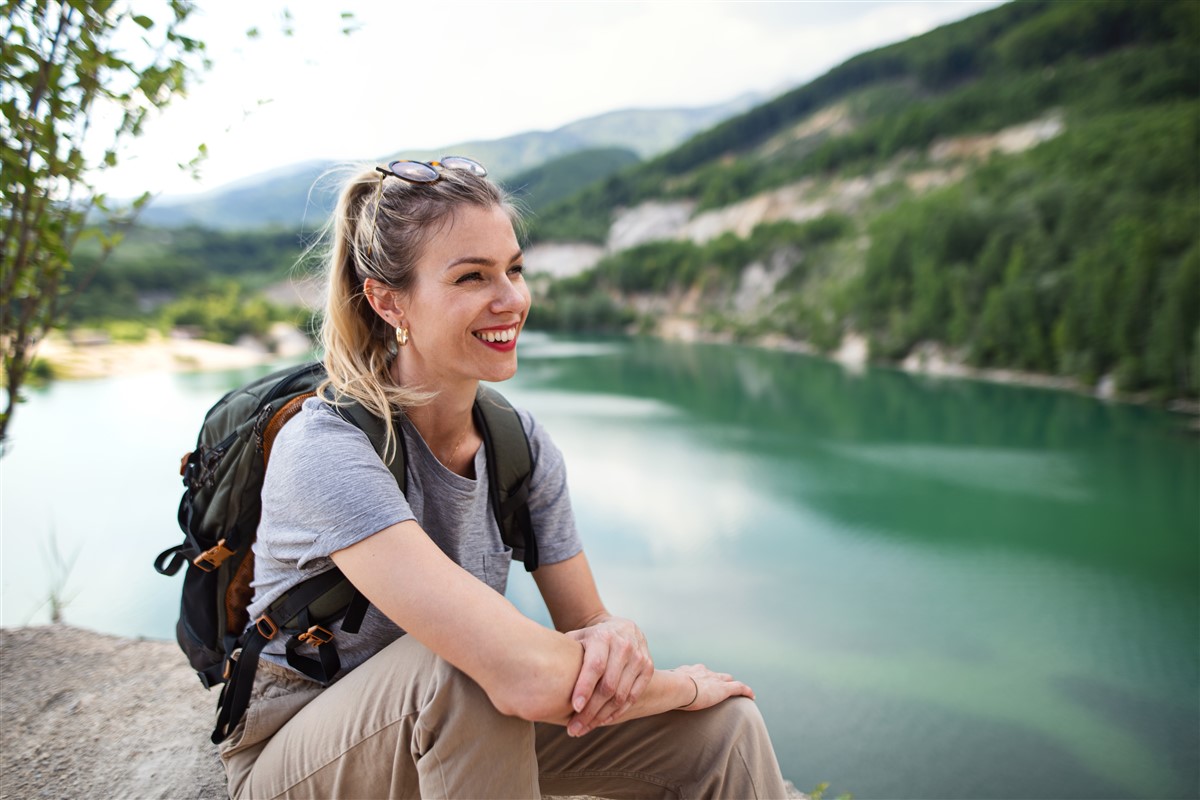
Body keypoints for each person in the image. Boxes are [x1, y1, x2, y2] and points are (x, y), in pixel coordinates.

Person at [217, 156, 789, 799]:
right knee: (470, 673)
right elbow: (516, 676)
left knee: (721, 726)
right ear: (386, 300)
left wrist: (612, 634)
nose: (511, 298)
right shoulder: (327, 448)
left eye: (514, 268)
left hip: (453, 729)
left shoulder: (520, 445)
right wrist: (679, 683)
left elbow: (585, 621)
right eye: (471, 276)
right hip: (299, 752)